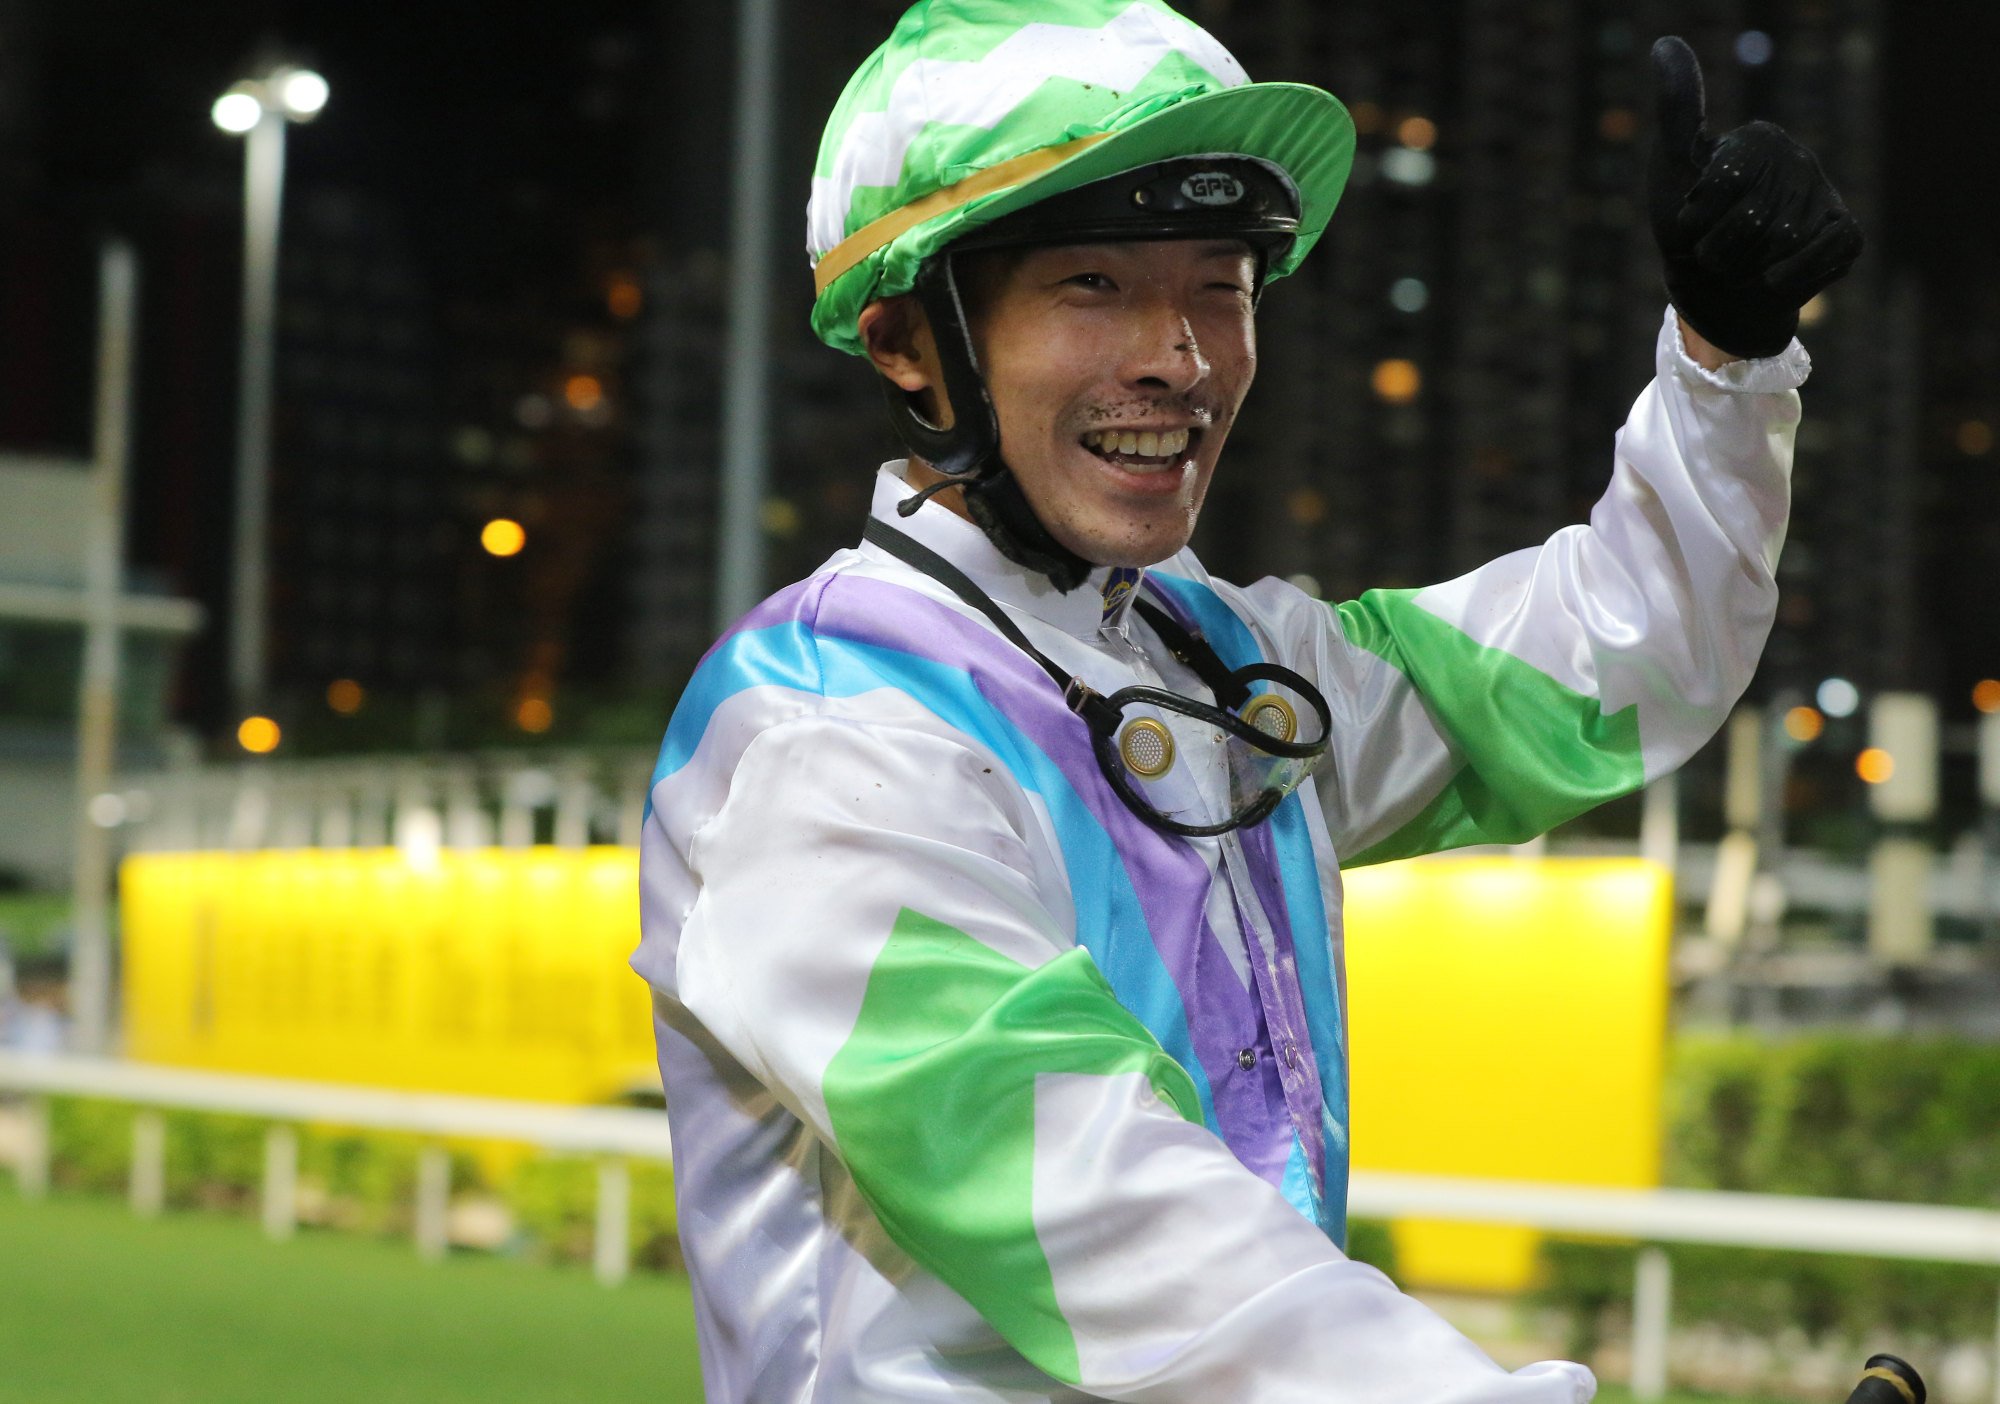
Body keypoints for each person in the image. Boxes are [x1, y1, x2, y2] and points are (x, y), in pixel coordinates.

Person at [632, 4, 1861, 1400]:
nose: (1184, 356)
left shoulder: (1215, 663)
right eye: (1093, 285)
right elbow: (1085, 1183)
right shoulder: (819, 728)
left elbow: (1621, 662)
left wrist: (1723, 360)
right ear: (906, 340)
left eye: (1221, 286)